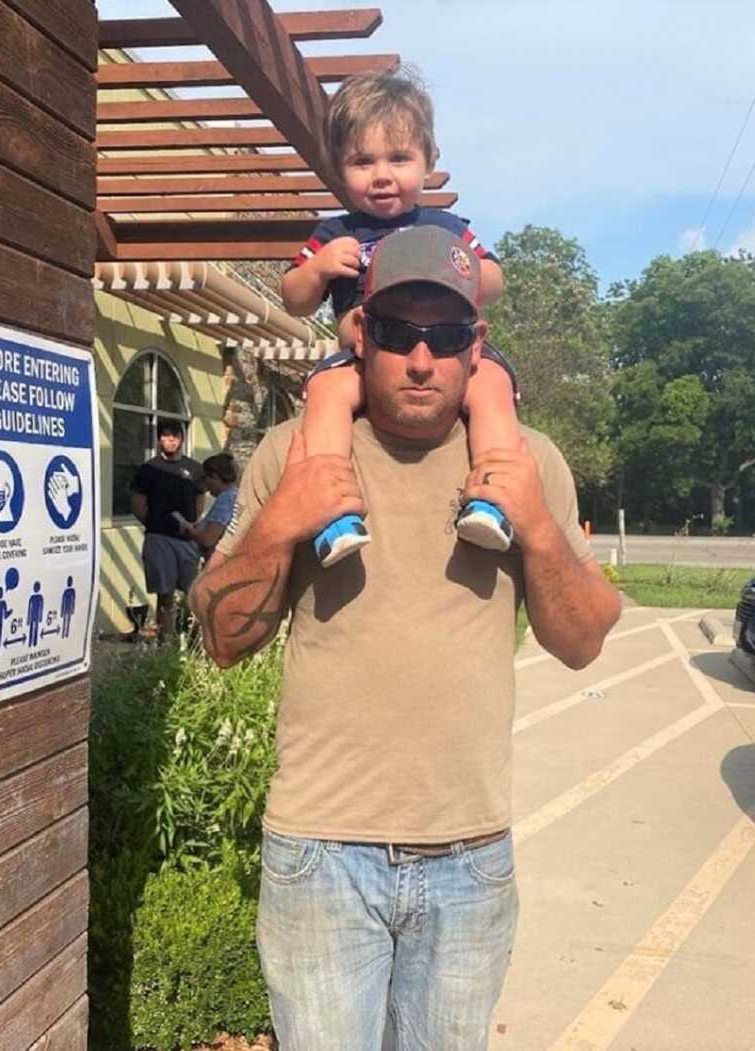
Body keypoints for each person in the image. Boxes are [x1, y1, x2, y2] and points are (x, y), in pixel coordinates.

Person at [190, 226, 621, 1050]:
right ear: (360, 334)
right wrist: (283, 520)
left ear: (477, 344)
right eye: (396, 332)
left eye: (446, 335)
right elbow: (223, 637)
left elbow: (584, 641)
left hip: (469, 857)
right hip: (321, 855)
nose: (421, 359)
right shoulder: (293, 451)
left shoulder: (529, 461)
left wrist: (534, 525)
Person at [281, 67, 520, 567]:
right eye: (363, 161)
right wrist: (321, 268)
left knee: (491, 383)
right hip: (360, 361)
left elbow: (494, 279)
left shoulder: (444, 226)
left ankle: (492, 498)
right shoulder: (334, 232)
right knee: (325, 393)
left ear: (429, 162)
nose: (382, 174)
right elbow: (294, 298)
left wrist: (459, 264)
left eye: (399, 158)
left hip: (439, 348)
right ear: (338, 168)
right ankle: (331, 512)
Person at [130, 419, 205, 640]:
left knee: (193, 592)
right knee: (165, 594)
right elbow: (137, 502)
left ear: (181, 439)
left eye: (174, 436)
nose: (170, 440)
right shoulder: (149, 468)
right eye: (165, 436)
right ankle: (167, 642)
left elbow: (200, 495)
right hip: (159, 539)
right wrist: (154, 523)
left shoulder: (194, 469)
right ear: (159, 439)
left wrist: (192, 522)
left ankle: (193, 641)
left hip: (187, 539)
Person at [178, 452, 239, 563]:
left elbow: (208, 539)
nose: (205, 482)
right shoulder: (236, 496)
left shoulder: (225, 500)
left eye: (207, 477)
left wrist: (190, 531)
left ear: (215, 476)